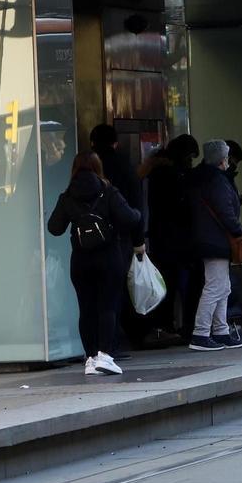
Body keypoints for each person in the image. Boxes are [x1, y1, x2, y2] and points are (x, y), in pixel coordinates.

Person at [47, 151, 146, 376]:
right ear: (98, 167)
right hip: (108, 257)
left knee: (86, 309)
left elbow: (54, 228)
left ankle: (90, 358)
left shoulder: (67, 195)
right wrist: (137, 214)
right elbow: (130, 218)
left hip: (80, 261)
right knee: (108, 307)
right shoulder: (108, 191)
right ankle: (106, 355)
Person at [186, 140, 242, 351]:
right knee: (215, 287)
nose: (229, 160)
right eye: (226, 156)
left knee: (222, 286)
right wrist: (238, 231)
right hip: (216, 239)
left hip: (208, 238)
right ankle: (201, 333)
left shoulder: (202, 177)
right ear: (222, 158)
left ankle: (220, 330)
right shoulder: (217, 180)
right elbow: (225, 210)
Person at [90, 123, 145, 357]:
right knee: (115, 293)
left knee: (92, 296)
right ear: (115, 143)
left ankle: (93, 346)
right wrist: (138, 239)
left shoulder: (81, 174)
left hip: (87, 244)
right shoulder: (124, 166)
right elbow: (136, 204)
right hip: (118, 239)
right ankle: (112, 343)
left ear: (92, 143)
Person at [144, 134, 200, 338]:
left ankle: (167, 324)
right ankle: (175, 325)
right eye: (190, 157)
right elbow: (179, 207)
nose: (190, 162)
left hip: (163, 237)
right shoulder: (172, 176)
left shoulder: (158, 173)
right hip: (175, 239)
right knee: (177, 283)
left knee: (168, 283)